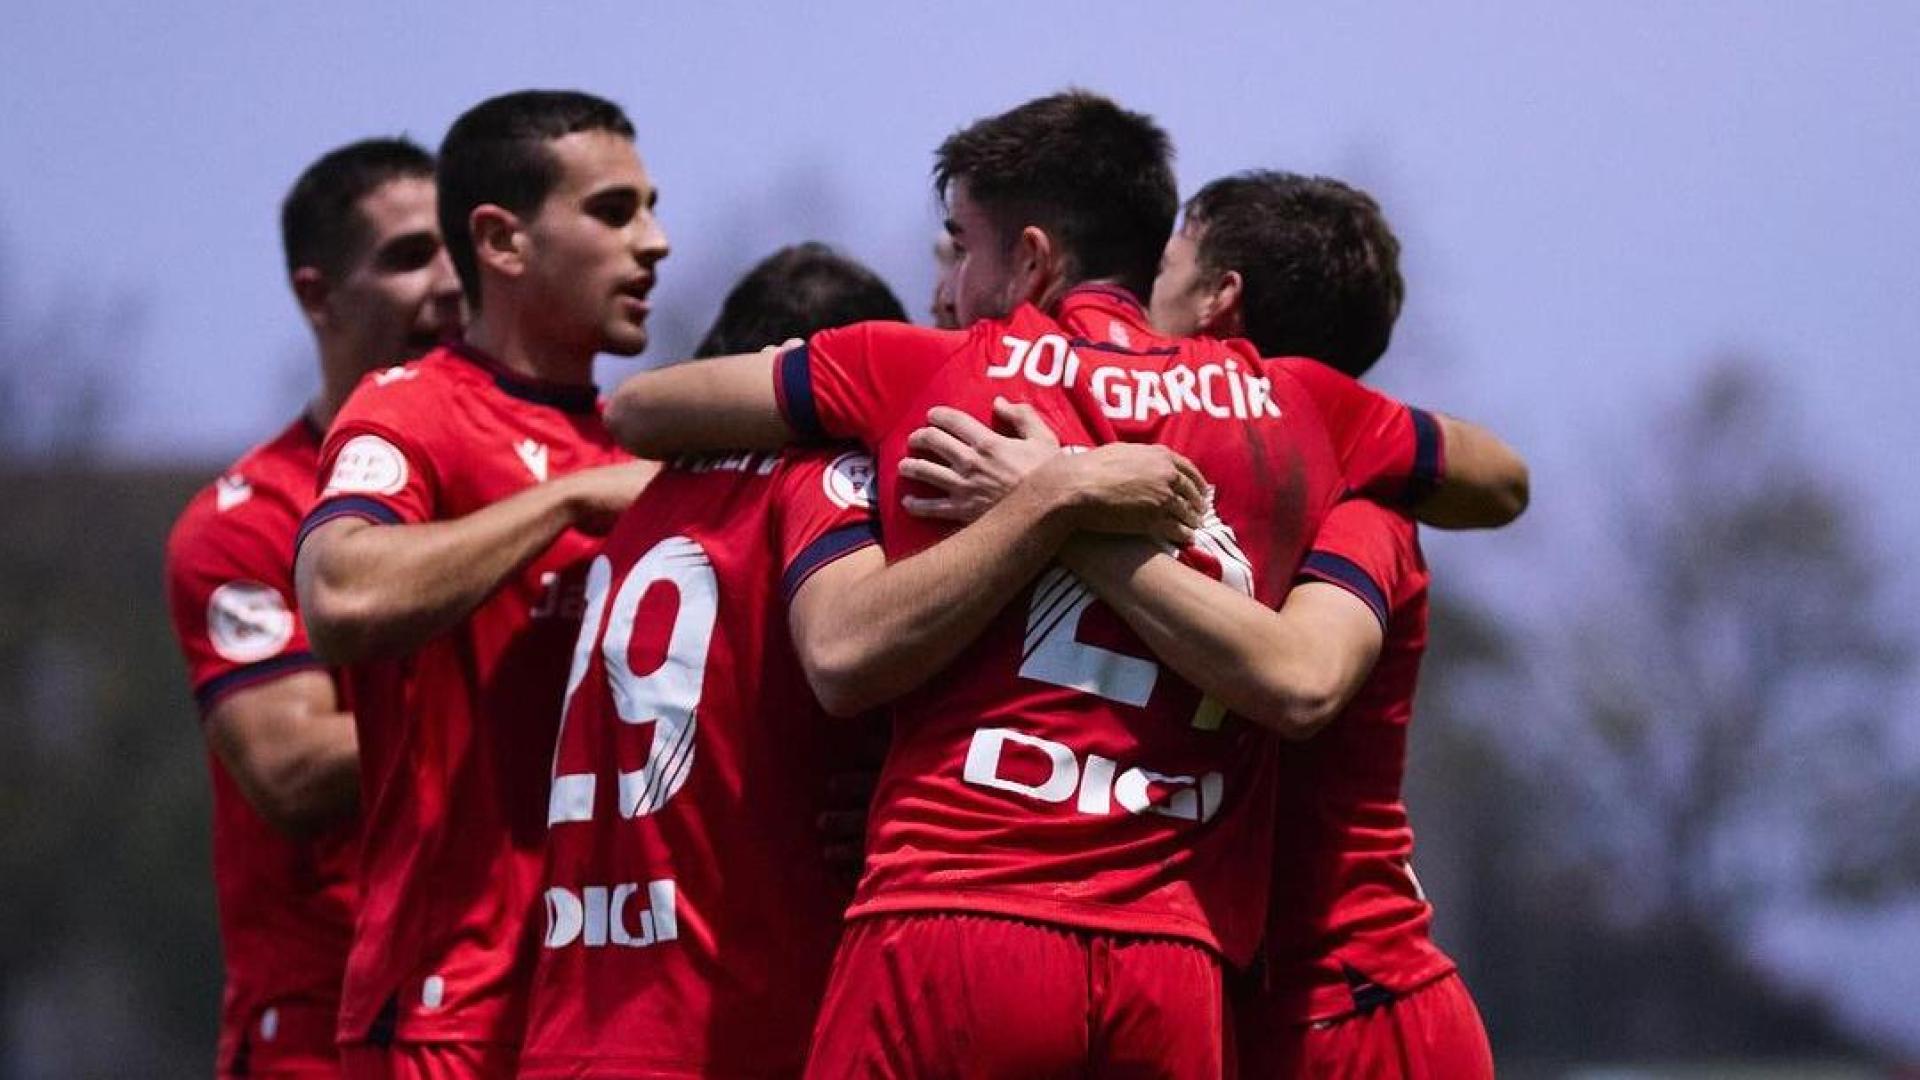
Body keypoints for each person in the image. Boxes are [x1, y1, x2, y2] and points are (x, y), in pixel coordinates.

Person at [603, 91, 1526, 1076]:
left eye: (959, 248)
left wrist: (1052, 494)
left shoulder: (927, 370)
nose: (945, 287)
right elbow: (1502, 479)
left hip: (962, 920)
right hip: (1178, 963)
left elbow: (643, 410)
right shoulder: (1310, 414)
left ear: (1035, 260)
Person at [520, 243, 1204, 1078]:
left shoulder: (640, 508)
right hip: (735, 1027)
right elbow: (845, 652)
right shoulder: (820, 477)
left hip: (572, 1027)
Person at [293, 90, 658, 1078]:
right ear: (501, 242)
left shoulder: (638, 440)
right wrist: (564, 503)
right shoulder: (413, 410)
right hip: (450, 1008)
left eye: (650, 209)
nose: (654, 242)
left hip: (614, 1004)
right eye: (614, 212)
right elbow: (340, 597)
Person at [1151, 170, 1498, 1076]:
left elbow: (1300, 682)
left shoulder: (1359, 513)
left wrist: (1066, 519)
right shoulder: (1136, 478)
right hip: (1219, 1004)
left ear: (1220, 302)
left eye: (1165, 263)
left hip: (1353, 1011)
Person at [164, 136, 462, 1079]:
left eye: (458, 249)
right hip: (323, 1032)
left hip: (509, 1008)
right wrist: (511, 697)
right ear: (317, 296)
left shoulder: (530, 476)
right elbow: (288, 769)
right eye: (409, 256)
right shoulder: (246, 523)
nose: (449, 285)